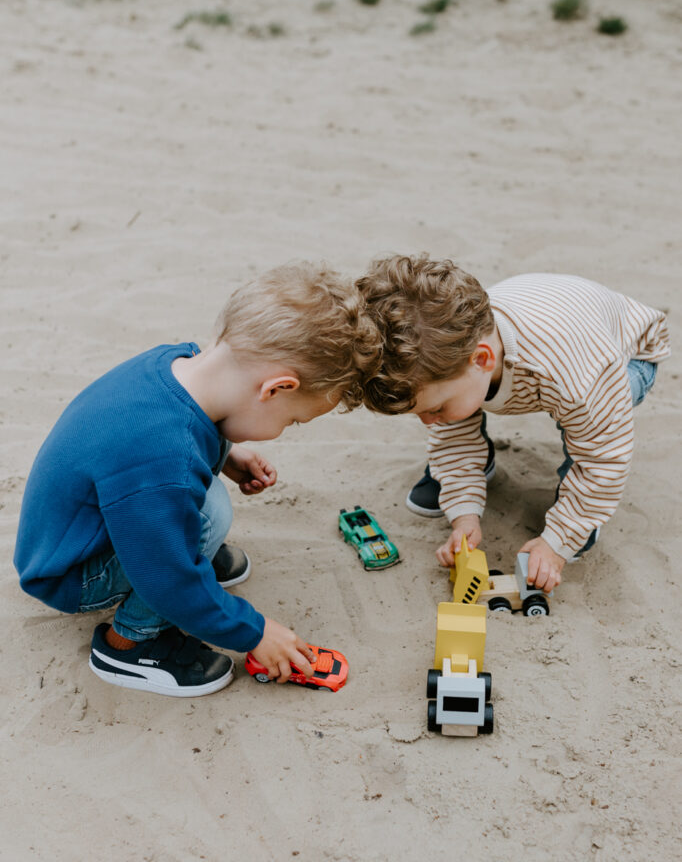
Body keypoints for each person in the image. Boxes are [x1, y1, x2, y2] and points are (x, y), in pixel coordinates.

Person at [15, 262, 381, 697]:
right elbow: (167, 576)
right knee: (198, 527)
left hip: (75, 528)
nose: (287, 428)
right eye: (294, 420)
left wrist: (228, 453)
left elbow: (182, 428)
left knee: (202, 505)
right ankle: (130, 645)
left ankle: (189, 560)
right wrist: (256, 633)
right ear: (275, 390)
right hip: (71, 572)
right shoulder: (164, 458)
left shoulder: (176, 363)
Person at [357, 255, 670, 594]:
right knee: (456, 417)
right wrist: (464, 515)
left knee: (588, 428)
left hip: (625, 354)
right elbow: (450, 428)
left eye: (433, 408)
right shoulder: (449, 355)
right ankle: (472, 469)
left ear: (482, 360)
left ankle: (577, 510)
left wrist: (557, 543)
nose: (428, 421)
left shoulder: (579, 377)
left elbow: (604, 458)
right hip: (540, 328)